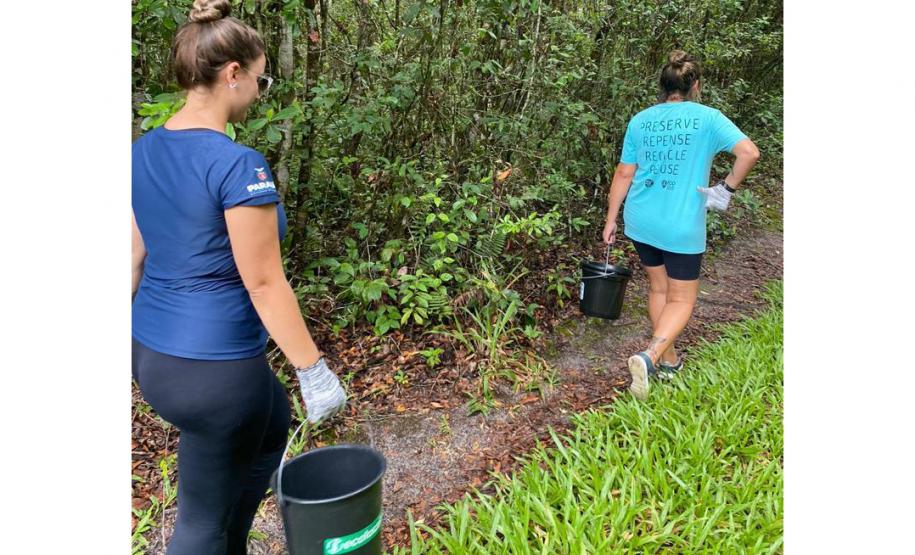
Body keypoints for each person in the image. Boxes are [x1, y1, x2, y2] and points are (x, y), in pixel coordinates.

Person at [131, 1, 346, 552]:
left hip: (155, 355)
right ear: (232, 75)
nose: (259, 89)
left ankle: (233, 542)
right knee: (198, 522)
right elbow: (265, 282)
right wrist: (313, 369)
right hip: (214, 371)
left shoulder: (144, 150)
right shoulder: (237, 163)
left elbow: (133, 257)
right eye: (260, 78)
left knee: (272, 421)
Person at [602, 50, 760, 400]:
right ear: (696, 86)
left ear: (662, 87)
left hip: (641, 219)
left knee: (659, 289)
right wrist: (725, 188)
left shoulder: (640, 120)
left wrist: (611, 218)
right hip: (681, 223)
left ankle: (669, 361)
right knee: (683, 298)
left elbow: (624, 173)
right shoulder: (708, 118)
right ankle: (651, 355)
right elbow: (749, 153)